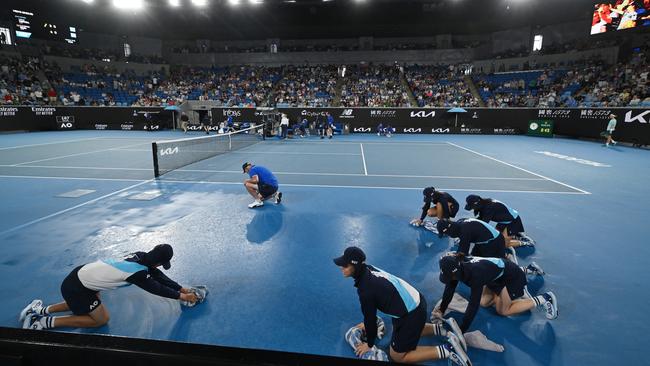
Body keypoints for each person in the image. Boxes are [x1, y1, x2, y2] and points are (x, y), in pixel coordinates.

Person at [333, 247, 471, 365]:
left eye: (345, 265)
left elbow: (370, 319)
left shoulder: (366, 290)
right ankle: (443, 329)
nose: (341, 267)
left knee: (397, 356)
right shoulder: (367, 269)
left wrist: (369, 345)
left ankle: (448, 350)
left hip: (410, 313)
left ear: (355, 266)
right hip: (415, 301)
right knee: (407, 329)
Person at [19, 244, 198, 330]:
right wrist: (182, 297)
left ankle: (40, 310)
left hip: (79, 276)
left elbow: (158, 276)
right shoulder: (139, 274)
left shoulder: (140, 255)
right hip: (77, 288)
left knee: (87, 303)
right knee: (101, 319)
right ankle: (41, 322)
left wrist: (181, 289)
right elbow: (157, 288)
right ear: (159, 263)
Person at [433, 254, 558, 333]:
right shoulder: (457, 266)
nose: (449, 279)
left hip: (512, 277)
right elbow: (449, 288)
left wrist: (462, 329)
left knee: (503, 311)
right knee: (484, 302)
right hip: (494, 277)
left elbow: (473, 304)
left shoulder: (475, 274)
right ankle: (503, 296)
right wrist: (442, 309)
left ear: (456, 272)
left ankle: (545, 298)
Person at [464, 195, 535, 247]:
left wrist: (468, 235)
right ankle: (516, 235)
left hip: (513, 222)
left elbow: (483, 225)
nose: (472, 209)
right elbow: (479, 220)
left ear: (476, 204)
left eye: (472, 207)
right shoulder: (483, 204)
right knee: (496, 239)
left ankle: (526, 243)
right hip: (503, 222)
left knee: (503, 244)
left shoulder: (489, 208)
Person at [437, 218, 507, 259]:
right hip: (483, 241)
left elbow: (463, 254)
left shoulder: (464, 232)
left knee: (490, 265)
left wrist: (451, 256)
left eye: (447, 234)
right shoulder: (460, 223)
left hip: (494, 242)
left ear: (449, 230)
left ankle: (506, 257)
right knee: (473, 257)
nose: (449, 236)